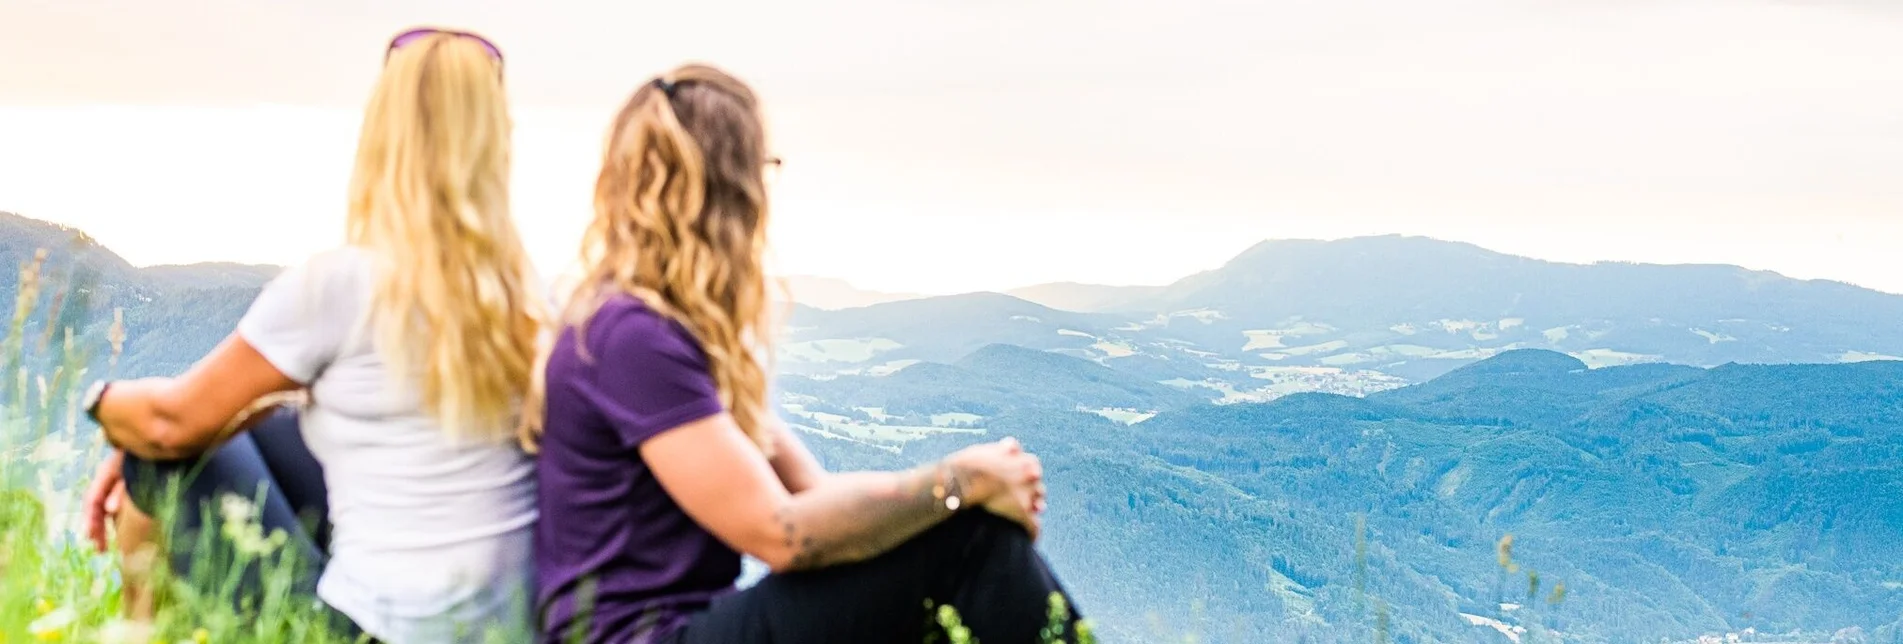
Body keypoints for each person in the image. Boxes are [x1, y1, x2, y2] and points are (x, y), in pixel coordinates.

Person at [526, 63, 1089, 644]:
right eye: (763, 168)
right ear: (731, 186)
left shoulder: (662, 331)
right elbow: (783, 535)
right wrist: (962, 481)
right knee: (970, 543)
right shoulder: (629, 337)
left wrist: (962, 491)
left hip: (688, 628)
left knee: (950, 539)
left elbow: (814, 500)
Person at [78, 26, 543, 643]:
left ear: (382, 138)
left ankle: (136, 636)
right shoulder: (541, 301)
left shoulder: (342, 285)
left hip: (364, 634)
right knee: (256, 427)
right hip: (503, 633)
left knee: (162, 453)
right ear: (499, 141)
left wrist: (105, 407)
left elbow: (168, 422)